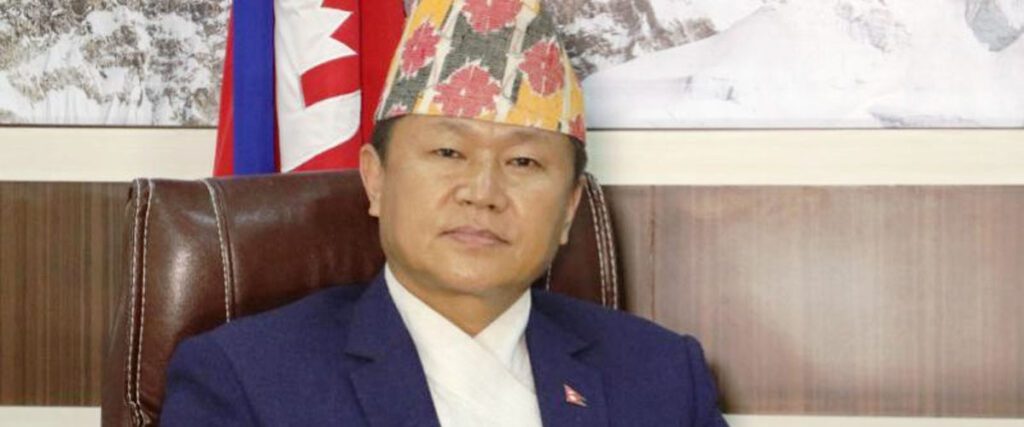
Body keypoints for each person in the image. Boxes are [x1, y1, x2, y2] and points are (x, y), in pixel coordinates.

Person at [160, 0, 729, 425]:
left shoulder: (661, 377)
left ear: (568, 210)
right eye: (448, 153)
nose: (482, 192)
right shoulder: (249, 380)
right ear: (375, 180)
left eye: (524, 162)